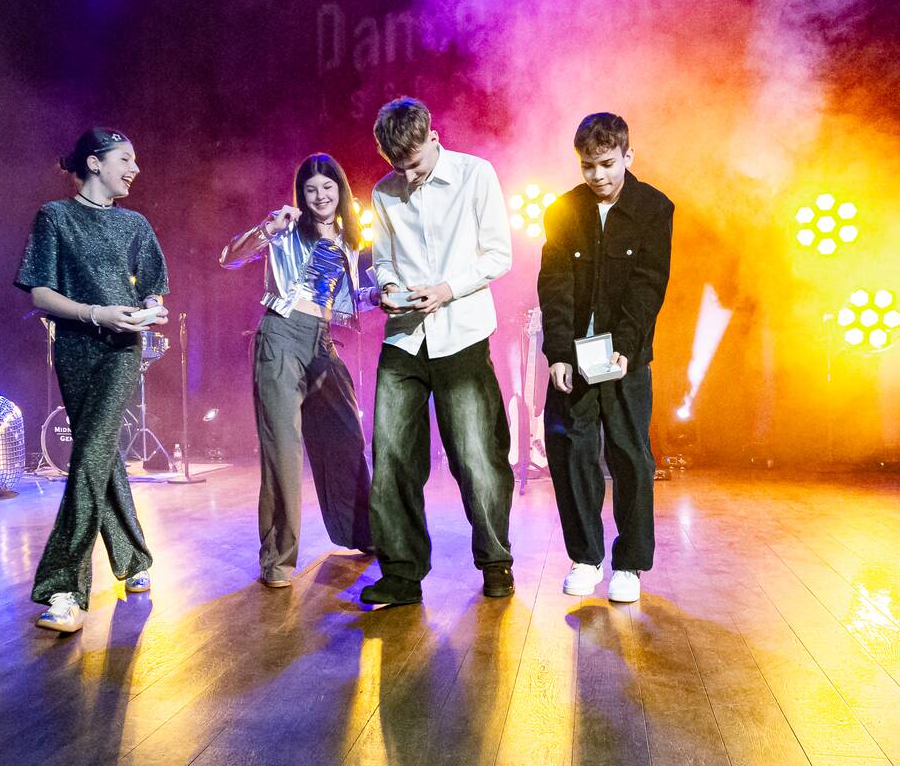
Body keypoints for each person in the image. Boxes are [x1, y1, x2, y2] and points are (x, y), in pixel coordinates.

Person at [359, 97, 516, 606]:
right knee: (392, 458)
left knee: (476, 455)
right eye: (397, 166)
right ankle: (402, 574)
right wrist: (385, 286)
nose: (408, 175)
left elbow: (499, 255)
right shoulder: (384, 192)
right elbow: (382, 260)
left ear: (434, 137)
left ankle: (495, 561)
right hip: (404, 337)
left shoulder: (476, 174)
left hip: (462, 333)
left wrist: (447, 289)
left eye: (414, 163)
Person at [15, 126, 169, 633]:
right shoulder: (54, 216)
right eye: (125, 158)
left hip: (122, 350)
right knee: (98, 456)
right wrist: (97, 313)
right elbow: (40, 294)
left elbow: (153, 289)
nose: (135, 169)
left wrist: (150, 310)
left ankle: (64, 588)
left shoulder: (135, 224)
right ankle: (135, 558)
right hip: (75, 348)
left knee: (88, 457)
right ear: (95, 163)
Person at [220, 153, 377, 588]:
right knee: (284, 453)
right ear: (301, 195)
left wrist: (376, 296)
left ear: (340, 190)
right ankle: (277, 559)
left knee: (347, 436)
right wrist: (267, 228)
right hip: (281, 337)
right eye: (311, 189)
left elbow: (338, 300)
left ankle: (363, 532)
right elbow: (229, 258)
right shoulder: (286, 227)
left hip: (323, 342)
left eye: (328, 187)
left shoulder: (349, 239)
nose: (320, 196)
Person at [537, 112, 674, 603]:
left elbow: (649, 285)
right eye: (588, 165)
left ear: (627, 156)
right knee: (572, 454)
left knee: (630, 456)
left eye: (607, 164)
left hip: (624, 358)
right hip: (574, 357)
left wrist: (627, 345)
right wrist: (557, 352)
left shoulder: (653, 208)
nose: (597, 175)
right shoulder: (562, 210)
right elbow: (553, 284)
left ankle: (630, 565)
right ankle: (585, 558)